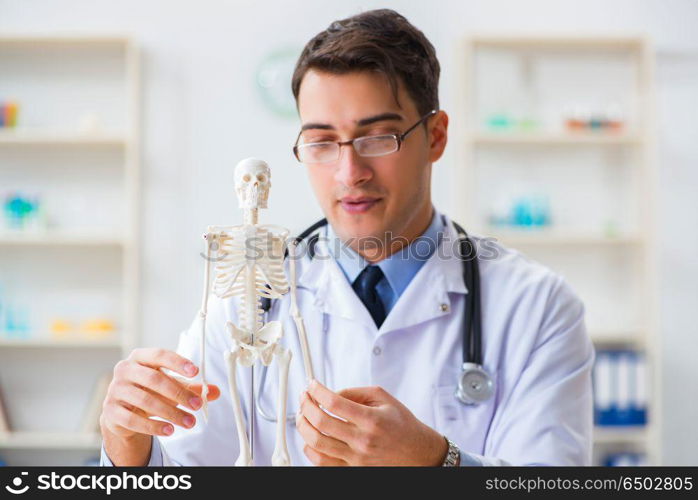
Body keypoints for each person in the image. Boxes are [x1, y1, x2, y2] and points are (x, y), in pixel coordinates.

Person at [100, 8, 594, 467]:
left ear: (436, 136)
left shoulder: (538, 305)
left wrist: (437, 462)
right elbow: (182, 466)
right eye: (321, 143)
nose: (349, 172)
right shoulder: (252, 296)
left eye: (378, 137)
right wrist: (127, 447)